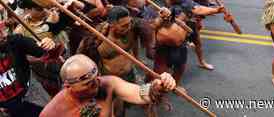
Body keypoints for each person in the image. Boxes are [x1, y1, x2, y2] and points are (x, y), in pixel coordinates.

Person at [39, 54, 176, 117]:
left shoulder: (108, 83)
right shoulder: (53, 112)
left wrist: (158, 86)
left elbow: (140, 93)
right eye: (88, 83)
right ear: (68, 86)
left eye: (96, 76)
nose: (97, 83)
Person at [0, 23, 60, 117]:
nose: (3, 35)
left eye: (2, 30)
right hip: (7, 108)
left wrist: (48, 44)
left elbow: (42, 51)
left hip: (31, 94)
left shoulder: (15, 41)